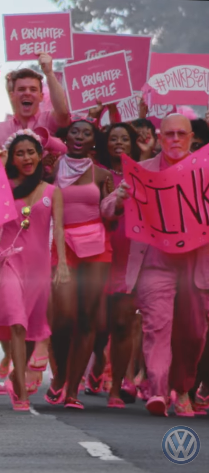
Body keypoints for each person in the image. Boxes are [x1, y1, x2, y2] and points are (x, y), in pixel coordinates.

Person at [101, 114, 207, 417]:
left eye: (181, 134)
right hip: (154, 265)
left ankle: (183, 389)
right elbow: (106, 208)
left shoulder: (205, 170)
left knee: (193, 333)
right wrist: (119, 199)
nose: (175, 140)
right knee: (156, 328)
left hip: (194, 267)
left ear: (191, 138)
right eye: (169, 134)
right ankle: (158, 391)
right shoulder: (141, 171)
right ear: (160, 138)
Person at [0, 131, 68, 411]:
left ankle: (17, 378)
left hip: (39, 270)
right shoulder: (1, 188)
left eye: (31, 152)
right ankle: (22, 393)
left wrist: (62, 264)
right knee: (17, 322)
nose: (26, 158)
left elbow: (60, 230)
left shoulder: (53, 192)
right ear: (13, 159)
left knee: (29, 329)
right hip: (8, 264)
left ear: (39, 155)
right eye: (20, 153)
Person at [46, 119, 115, 410]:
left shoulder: (102, 174)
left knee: (87, 319)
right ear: (67, 136)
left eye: (87, 133)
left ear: (93, 142)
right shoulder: (50, 171)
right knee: (62, 319)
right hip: (61, 246)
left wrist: (118, 201)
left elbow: (111, 217)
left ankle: (72, 390)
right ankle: (60, 375)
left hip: (97, 247)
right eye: (75, 131)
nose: (80, 136)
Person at [94, 123, 143, 408]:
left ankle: (116, 387)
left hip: (131, 256)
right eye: (113, 138)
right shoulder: (95, 171)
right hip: (100, 254)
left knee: (124, 322)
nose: (119, 143)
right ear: (106, 143)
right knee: (98, 325)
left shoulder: (144, 172)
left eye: (125, 138)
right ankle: (96, 365)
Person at [0, 53, 71, 148]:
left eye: (33, 89)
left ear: (41, 96)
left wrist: (49, 73)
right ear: (12, 96)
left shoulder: (48, 121)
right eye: (21, 89)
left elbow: (62, 112)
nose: (27, 93)